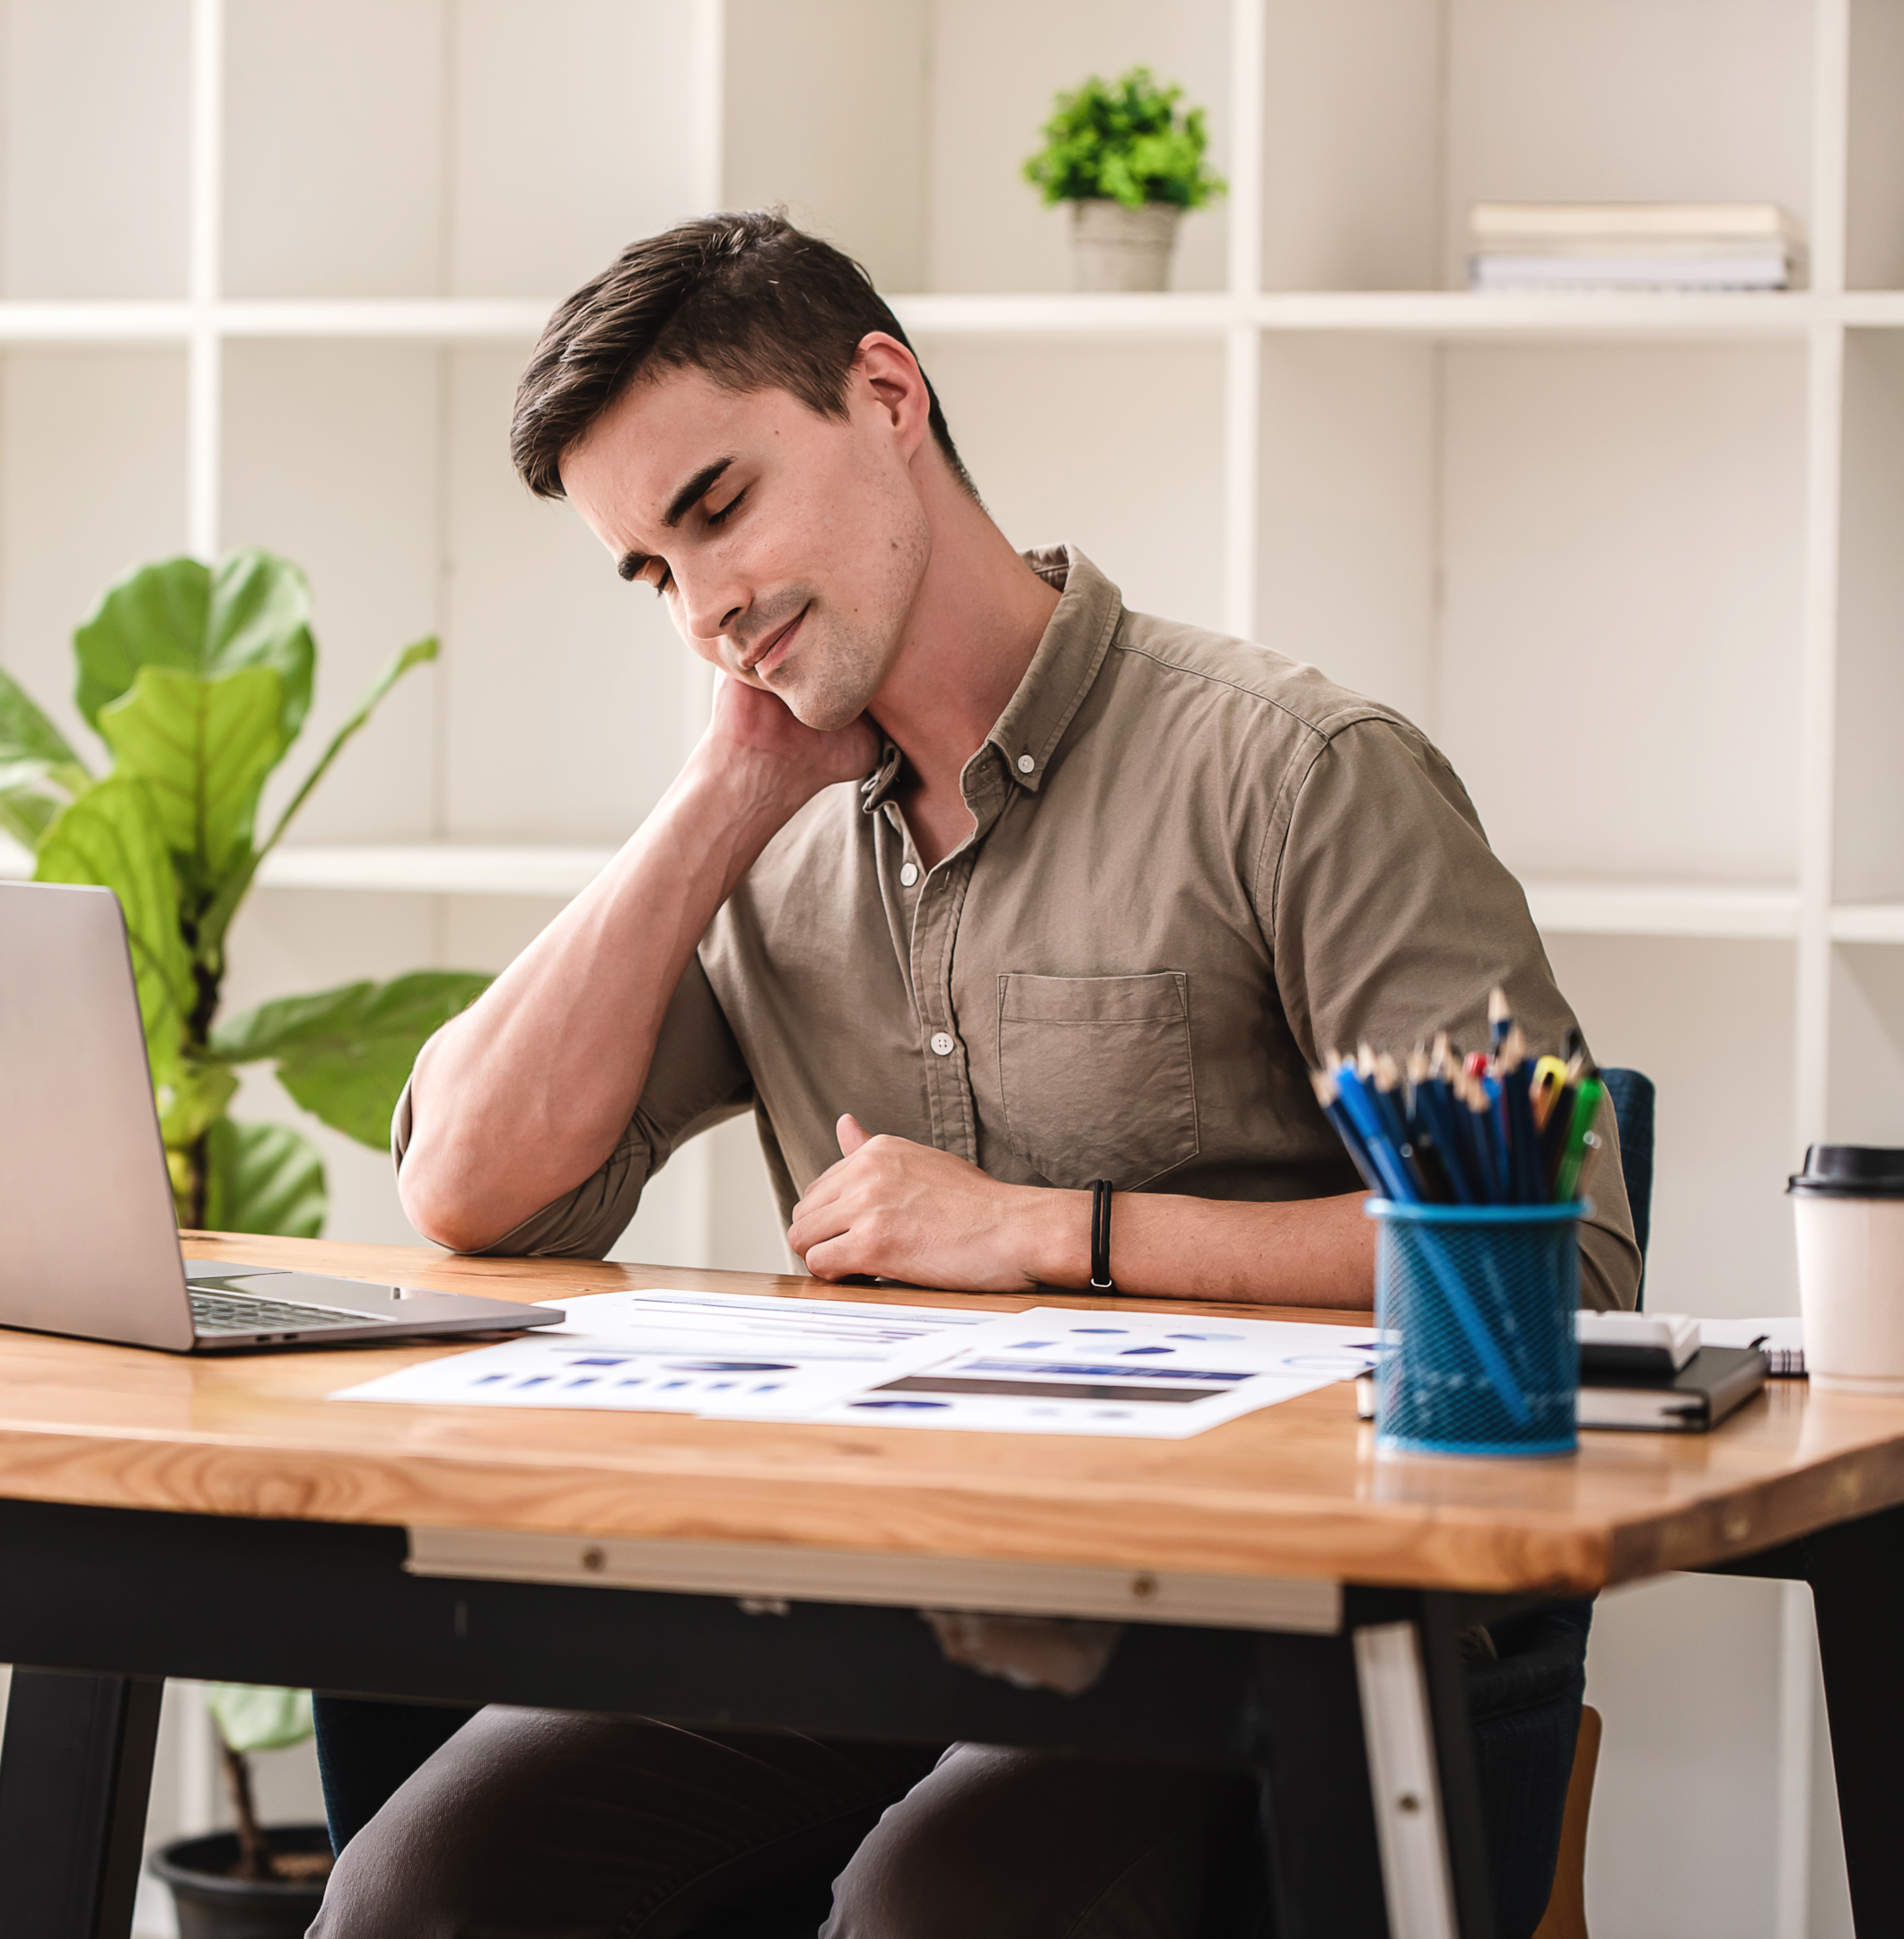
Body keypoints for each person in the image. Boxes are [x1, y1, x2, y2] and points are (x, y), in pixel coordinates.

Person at [310, 211, 1635, 1938]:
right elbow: (470, 1186)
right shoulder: (770, 841)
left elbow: (1561, 1274)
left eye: (715, 509)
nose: (705, 607)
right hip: (882, 1609)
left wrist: (1051, 1231)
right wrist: (719, 796)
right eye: (650, 571)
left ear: (884, 396)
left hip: (1280, 1631)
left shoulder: (1302, 775)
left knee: (944, 1910)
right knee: (426, 1886)